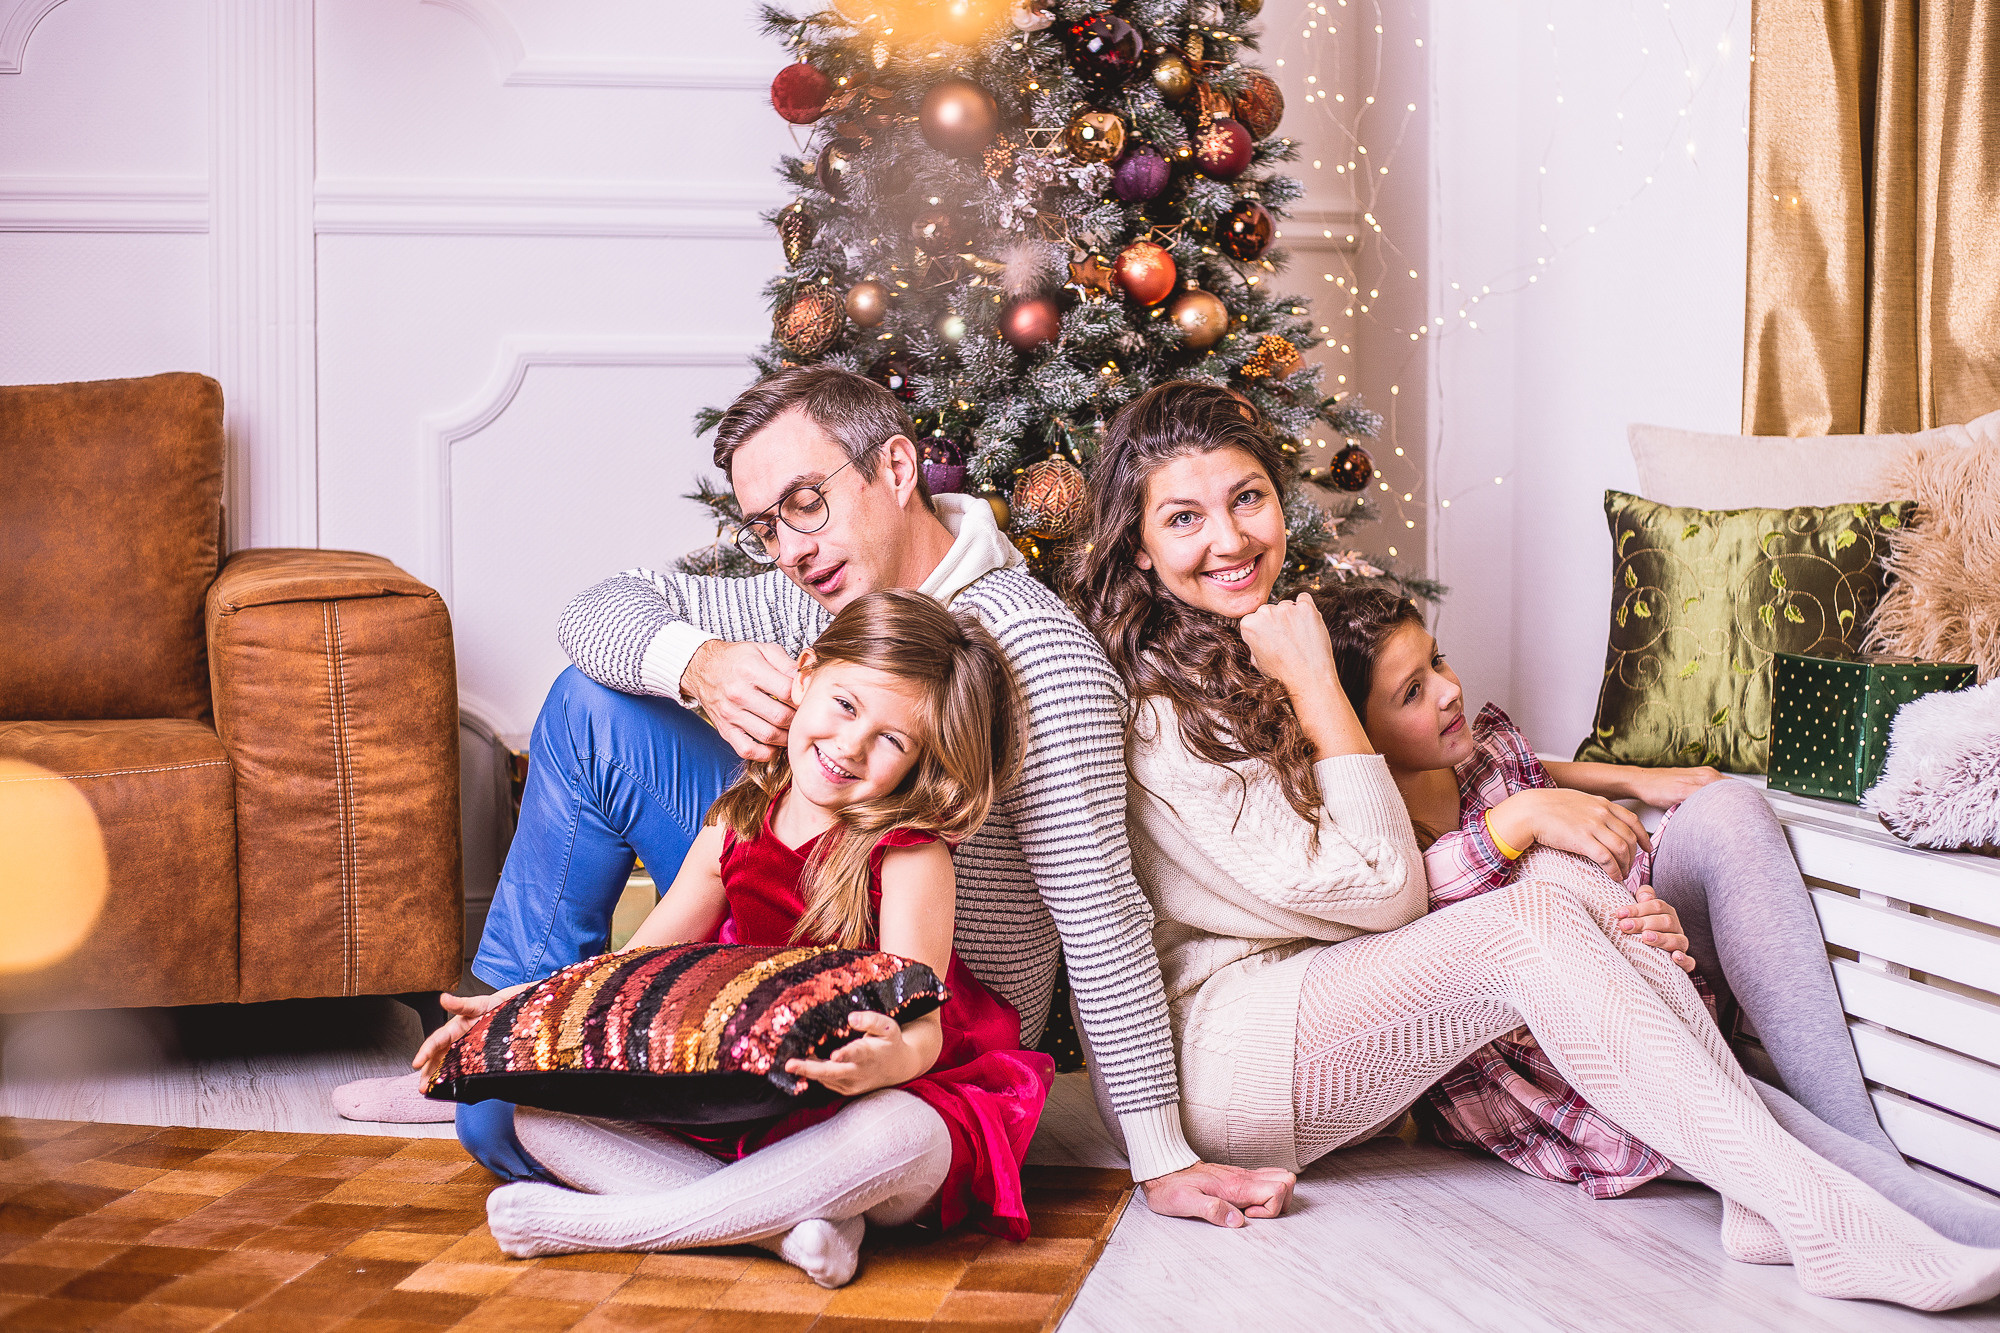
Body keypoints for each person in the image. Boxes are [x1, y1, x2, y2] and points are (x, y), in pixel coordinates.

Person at [1063, 379, 2000, 1310]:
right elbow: (1386, 887)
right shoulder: (1169, 710)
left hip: (1317, 1002)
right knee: (1524, 921)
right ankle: (1822, 1215)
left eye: (1248, 498)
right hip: (1235, 1056)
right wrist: (1316, 682)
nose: (1228, 539)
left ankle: (1787, 1198)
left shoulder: (1254, 636)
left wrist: (1614, 840)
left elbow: (1432, 822)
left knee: (1563, 872)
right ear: (1140, 551)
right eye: (1183, 519)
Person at [345, 365, 1291, 1227]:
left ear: (894, 465)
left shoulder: (1039, 654)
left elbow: (1099, 911)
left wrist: (1158, 1152)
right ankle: (502, 1032)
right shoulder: (818, 600)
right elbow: (597, 607)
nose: (792, 548)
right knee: (591, 702)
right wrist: (699, 663)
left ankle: (598, 1131)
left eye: (807, 503)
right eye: (766, 525)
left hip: (921, 983)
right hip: (786, 907)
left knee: (511, 1134)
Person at [1322, 583, 2000, 1245]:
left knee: (1727, 810)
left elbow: (1545, 786)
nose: (1447, 689)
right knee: (1704, 1079)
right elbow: (1421, 907)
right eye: (1412, 692)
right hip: (1577, 1071)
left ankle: (1855, 1132)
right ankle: (1908, 1210)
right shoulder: (1379, 846)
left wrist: (1641, 841)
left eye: (1437, 660)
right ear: (1361, 729)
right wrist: (1524, 821)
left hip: (1653, 963)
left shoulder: (1483, 755)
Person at [412, 591, 1052, 1287]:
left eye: (892, 740)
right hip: (749, 1088)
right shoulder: (739, 818)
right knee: (538, 1117)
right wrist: (521, 1003)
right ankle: (789, 1232)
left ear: (917, 762)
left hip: (870, 1097)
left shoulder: (908, 853)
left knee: (903, 1133)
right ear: (806, 675)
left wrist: (888, 1062)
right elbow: (630, 966)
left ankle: (613, 1227)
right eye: (845, 704)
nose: (850, 745)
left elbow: (924, 1030)